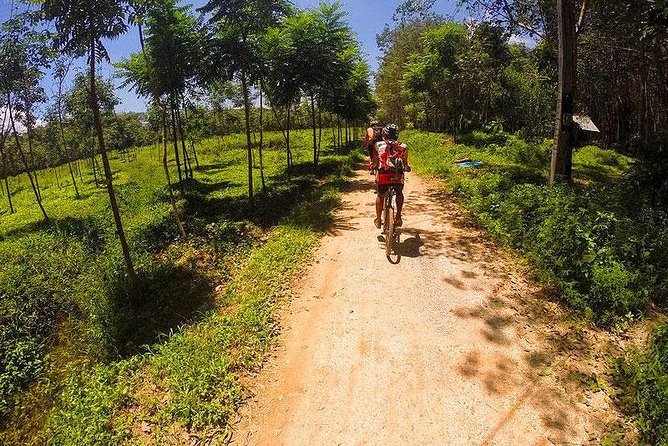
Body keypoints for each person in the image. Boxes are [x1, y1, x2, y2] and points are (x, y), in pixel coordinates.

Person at [369, 123, 411, 229]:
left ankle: (378, 220)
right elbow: (405, 165)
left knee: (380, 195)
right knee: (399, 193)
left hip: (383, 175)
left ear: (384, 134)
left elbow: (374, 162)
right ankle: (398, 217)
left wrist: (372, 167)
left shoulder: (378, 145)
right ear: (397, 135)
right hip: (397, 177)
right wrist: (406, 168)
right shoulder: (404, 147)